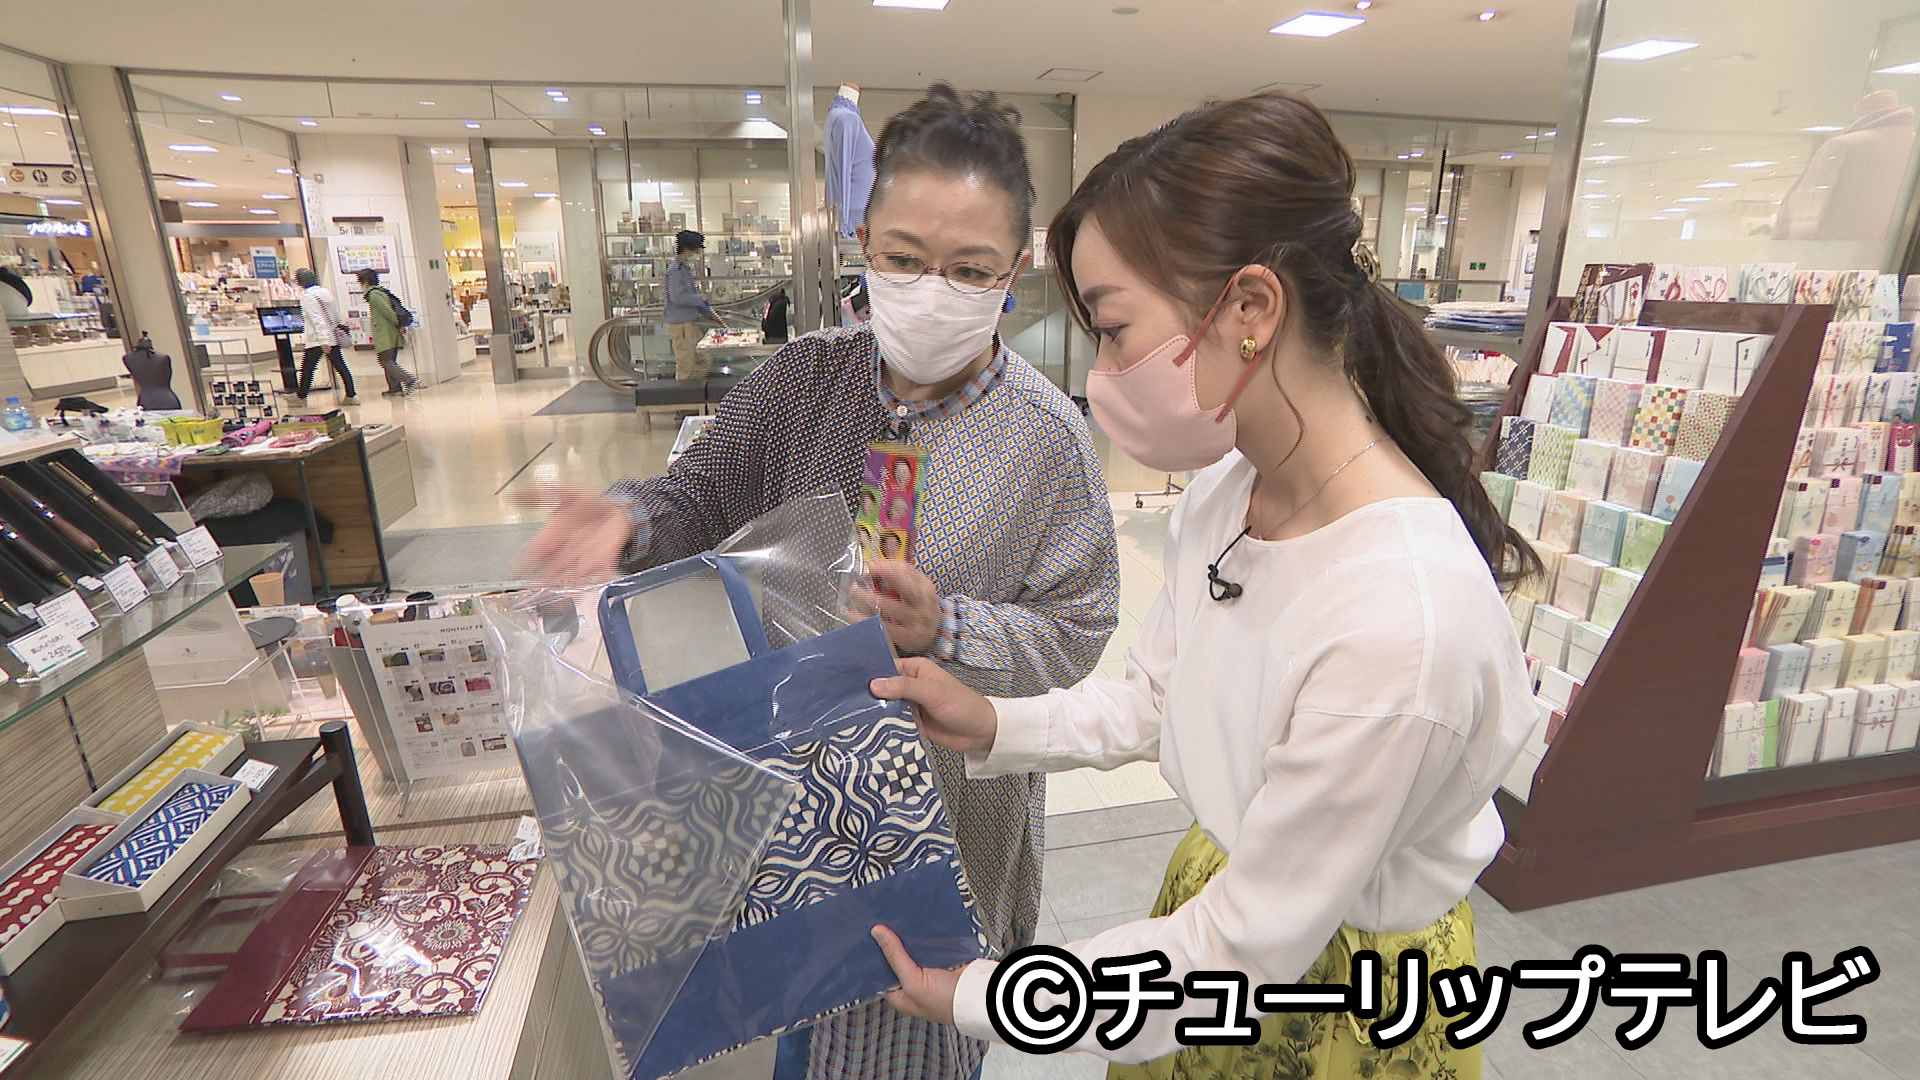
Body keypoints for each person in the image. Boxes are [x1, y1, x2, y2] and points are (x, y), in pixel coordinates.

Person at [867, 91, 1539, 1079]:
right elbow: (1159, 697)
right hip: (1211, 900)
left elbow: (1244, 950)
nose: (1102, 372)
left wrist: (978, 994)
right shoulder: (1233, 492)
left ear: (1251, 311)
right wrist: (994, 724)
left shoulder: (1401, 625)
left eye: (1114, 329)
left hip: (1333, 990)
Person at [520, 84, 1121, 1080]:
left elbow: (1077, 630)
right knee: (785, 1027)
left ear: (1016, 269)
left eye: (970, 269)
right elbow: (700, 493)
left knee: (914, 1046)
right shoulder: (802, 382)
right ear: (863, 242)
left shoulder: (1048, 440)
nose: (932, 289)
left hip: (945, 825)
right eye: (904, 259)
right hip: (778, 799)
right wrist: (630, 516)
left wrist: (947, 627)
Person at [295, 267, 357, 405]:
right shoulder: (325, 292)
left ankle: (301, 397)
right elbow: (336, 315)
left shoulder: (308, 297)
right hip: (332, 336)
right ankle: (351, 395)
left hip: (317, 339)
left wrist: (323, 340)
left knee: (308, 368)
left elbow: (316, 318)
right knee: (341, 367)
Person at [357, 268, 421, 396]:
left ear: (365, 281)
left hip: (385, 334)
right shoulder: (380, 292)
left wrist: (398, 323)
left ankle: (409, 380)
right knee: (388, 360)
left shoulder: (374, 295)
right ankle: (395, 388)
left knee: (385, 360)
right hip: (389, 332)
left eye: (360, 282)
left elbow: (388, 312)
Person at [666, 229, 719, 381]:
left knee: (703, 360)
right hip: (680, 324)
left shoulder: (684, 268)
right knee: (686, 365)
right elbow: (677, 297)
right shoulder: (675, 270)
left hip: (689, 321)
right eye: (696, 249)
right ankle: (685, 393)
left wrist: (708, 313)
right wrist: (698, 298)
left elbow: (691, 294)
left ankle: (695, 391)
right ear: (689, 248)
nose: (698, 252)